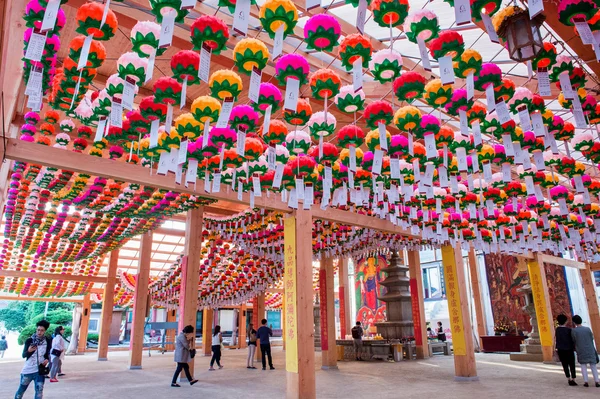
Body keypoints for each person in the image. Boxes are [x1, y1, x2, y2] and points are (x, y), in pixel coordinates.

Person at [15, 320, 51, 399]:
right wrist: (29, 351)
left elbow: (48, 353)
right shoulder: (29, 340)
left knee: (39, 392)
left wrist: (47, 359)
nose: (39, 332)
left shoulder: (47, 341)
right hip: (28, 370)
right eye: (38, 330)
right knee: (21, 391)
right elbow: (23, 355)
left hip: (40, 370)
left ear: (45, 331)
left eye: (42, 330)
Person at [571, 315, 600, 387]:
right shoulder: (587, 329)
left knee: (583, 366)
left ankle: (586, 381)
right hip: (590, 348)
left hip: (581, 349)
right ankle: (597, 381)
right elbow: (591, 337)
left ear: (574, 322)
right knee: (593, 366)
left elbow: (574, 340)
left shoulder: (574, 331)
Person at [555, 314, 577, 386]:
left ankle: (568, 378)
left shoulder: (557, 330)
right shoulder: (569, 330)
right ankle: (573, 378)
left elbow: (556, 340)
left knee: (564, 364)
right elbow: (572, 340)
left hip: (561, 349)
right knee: (572, 364)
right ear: (566, 321)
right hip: (569, 349)